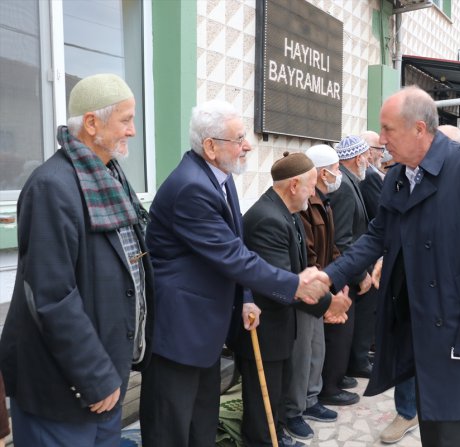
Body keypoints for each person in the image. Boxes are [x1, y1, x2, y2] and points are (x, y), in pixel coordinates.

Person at [321, 86, 460, 447]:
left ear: (419, 129)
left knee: (453, 427)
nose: (381, 139)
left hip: (459, 324)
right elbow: (376, 237)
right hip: (417, 323)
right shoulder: (398, 175)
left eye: (388, 129)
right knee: (431, 423)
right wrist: (330, 277)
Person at [139, 100, 329, 447]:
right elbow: (233, 256)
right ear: (210, 147)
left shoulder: (219, 177)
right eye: (239, 138)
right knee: (171, 428)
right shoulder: (191, 187)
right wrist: (293, 283)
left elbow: (235, 242)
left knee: (201, 423)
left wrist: (245, 298)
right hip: (180, 331)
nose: (248, 145)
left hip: (206, 330)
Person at [0, 74, 153, 446]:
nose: (133, 131)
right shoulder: (52, 186)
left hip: (104, 377)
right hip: (64, 385)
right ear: (91, 123)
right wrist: (95, 376)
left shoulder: (107, 178)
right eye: (126, 119)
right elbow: (51, 296)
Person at [238, 153, 346, 446]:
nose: (314, 193)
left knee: (276, 391)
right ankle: (263, 441)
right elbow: (280, 283)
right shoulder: (267, 219)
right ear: (294, 185)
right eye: (311, 185)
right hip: (263, 326)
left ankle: (276, 435)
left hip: (279, 325)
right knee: (263, 397)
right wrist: (328, 305)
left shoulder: (287, 213)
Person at [319, 135, 373, 406]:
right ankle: (331, 386)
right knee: (339, 332)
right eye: (366, 155)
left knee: (346, 331)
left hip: (348, 269)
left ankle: (337, 378)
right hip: (344, 273)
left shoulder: (352, 183)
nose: (371, 159)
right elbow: (342, 239)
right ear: (357, 157)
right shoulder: (344, 188)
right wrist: (360, 273)